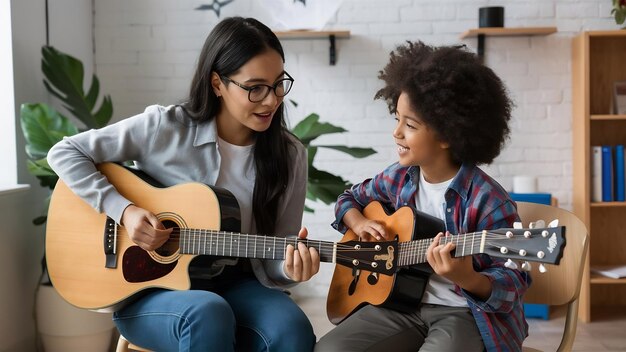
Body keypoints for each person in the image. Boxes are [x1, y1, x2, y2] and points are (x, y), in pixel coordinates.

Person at [48, 17, 319, 352]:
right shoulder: (165, 126)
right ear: (217, 83)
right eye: (255, 88)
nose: (271, 100)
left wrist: (293, 267)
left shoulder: (290, 155)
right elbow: (65, 152)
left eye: (279, 84)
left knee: (293, 331)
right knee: (207, 312)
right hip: (148, 289)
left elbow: (279, 249)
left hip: (238, 283)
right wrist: (125, 212)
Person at [315, 41, 531, 352]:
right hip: (400, 306)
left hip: (463, 314)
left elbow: (513, 282)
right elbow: (348, 199)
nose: (396, 132)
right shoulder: (399, 178)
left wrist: (467, 277)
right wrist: (359, 222)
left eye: (410, 125)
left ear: (447, 134)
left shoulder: (488, 201)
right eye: (397, 119)